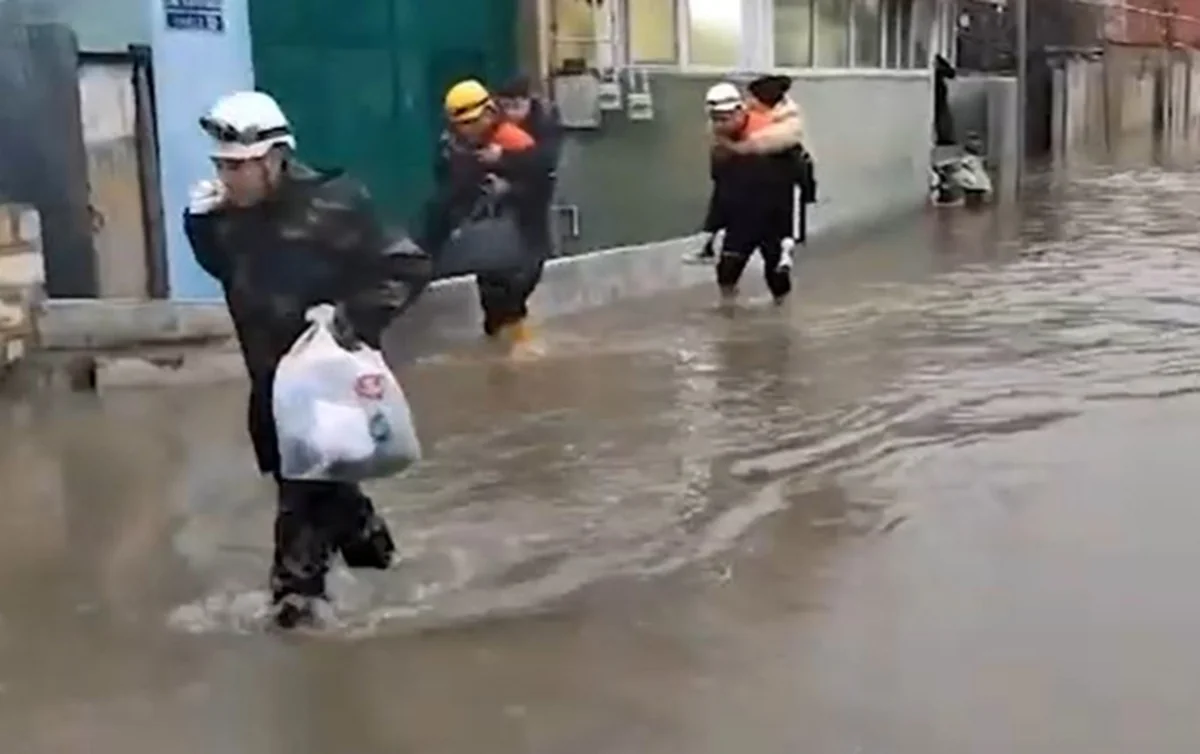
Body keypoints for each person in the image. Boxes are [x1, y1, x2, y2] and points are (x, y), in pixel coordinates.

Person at [183, 91, 433, 629]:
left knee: (301, 513)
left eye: (243, 168)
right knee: (328, 496)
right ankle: (391, 571)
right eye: (224, 167)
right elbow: (231, 274)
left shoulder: (335, 204)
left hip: (329, 388)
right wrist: (199, 226)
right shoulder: (227, 218)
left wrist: (350, 317)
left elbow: (407, 267)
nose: (232, 179)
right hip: (271, 390)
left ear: (277, 158)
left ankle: (297, 615)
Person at [422, 79, 553, 349]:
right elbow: (446, 195)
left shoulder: (515, 142)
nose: (467, 130)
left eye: (472, 122)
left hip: (524, 237)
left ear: (490, 113)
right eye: (461, 124)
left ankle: (522, 352)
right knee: (493, 307)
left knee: (513, 297)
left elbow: (540, 184)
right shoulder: (452, 147)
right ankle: (503, 354)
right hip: (485, 238)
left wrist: (506, 176)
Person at [685, 76, 810, 267]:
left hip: (772, 210)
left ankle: (783, 258)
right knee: (728, 271)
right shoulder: (730, 133)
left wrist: (738, 148)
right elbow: (720, 179)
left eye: (725, 117)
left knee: (776, 271)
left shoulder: (779, 131)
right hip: (741, 213)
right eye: (716, 118)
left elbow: (797, 173)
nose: (720, 122)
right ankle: (709, 245)